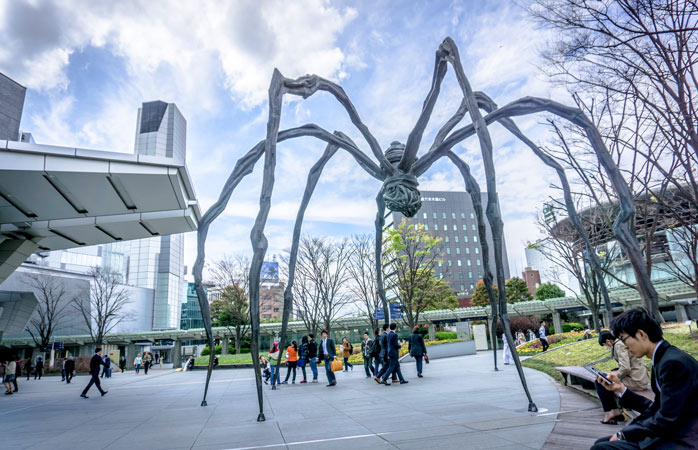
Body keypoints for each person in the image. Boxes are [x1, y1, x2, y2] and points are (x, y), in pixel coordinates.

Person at [592, 308, 698, 449]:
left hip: (682, 439)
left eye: (624, 339)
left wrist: (624, 435)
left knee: (601, 448)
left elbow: (666, 417)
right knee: (601, 444)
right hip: (673, 430)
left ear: (641, 334)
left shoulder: (673, 364)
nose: (624, 346)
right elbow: (657, 407)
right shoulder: (664, 358)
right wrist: (621, 389)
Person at [593, 330, 650, 425]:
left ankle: (611, 412)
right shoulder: (619, 343)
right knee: (603, 378)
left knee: (600, 381)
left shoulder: (619, 345)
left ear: (608, 341)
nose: (606, 347)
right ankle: (614, 411)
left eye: (604, 344)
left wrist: (613, 377)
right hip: (638, 377)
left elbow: (626, 368)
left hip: (636, 381)